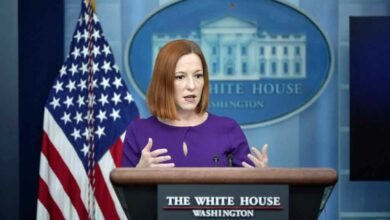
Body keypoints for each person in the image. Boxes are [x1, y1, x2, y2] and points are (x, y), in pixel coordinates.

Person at [122, 39, 268, 168]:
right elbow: (125, 196)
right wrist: (139, 173)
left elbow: (249, 194)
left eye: (198, 76)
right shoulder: (138, 131)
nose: (192, 85)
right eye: (180, 77)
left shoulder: (228, 128)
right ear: (163, 82)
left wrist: (263, 179)